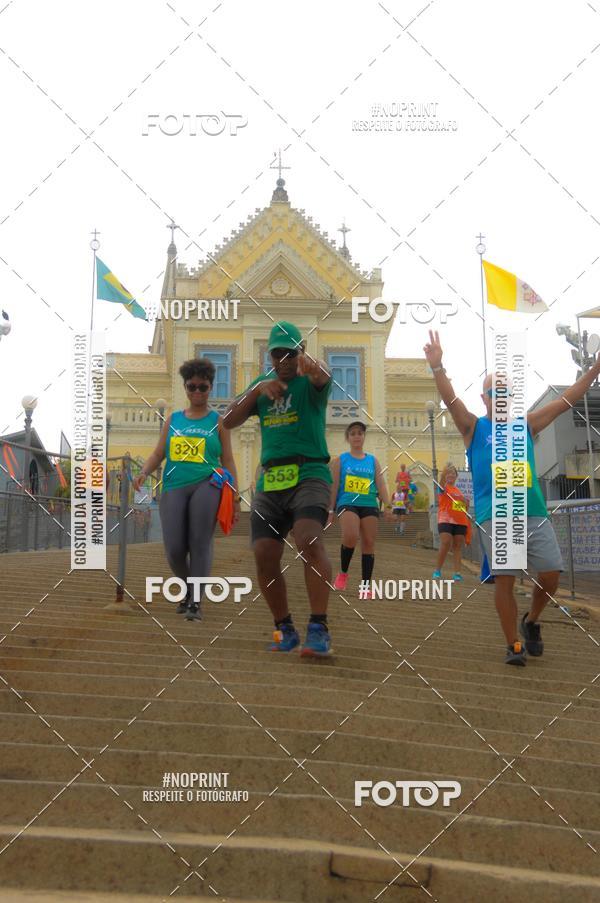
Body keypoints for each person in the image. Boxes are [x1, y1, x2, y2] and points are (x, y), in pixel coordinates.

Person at [424, 328, 600, 666]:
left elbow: (565, 402)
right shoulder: (474, 428)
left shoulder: (527, 424)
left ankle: (531, 620)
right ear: (485, 397)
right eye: (494, 392)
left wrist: (592, 373)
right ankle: (513, 644)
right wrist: (437, 367)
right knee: (505, 575)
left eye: (505, 391)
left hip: (532, 511)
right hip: (495, 513)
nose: (499, 397)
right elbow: (450, 401)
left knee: (550, 574)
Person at [224, 321, 333, 657]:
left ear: (300, 352)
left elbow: (323, 378)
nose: (284, 360)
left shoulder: (310, 383)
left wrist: (316, 370)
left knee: (308, 538)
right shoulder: (262, 386)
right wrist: (256, 392)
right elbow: (227, 421)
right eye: (277, 354)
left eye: (291, 353)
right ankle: (284, 627)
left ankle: (318, 627)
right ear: (269, 356)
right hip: (271, 478)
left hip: (310, 471)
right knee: (264, 553)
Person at [133, 358, 240, 621]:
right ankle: (188, 588)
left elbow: (227, 460)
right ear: (185, 387)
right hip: (174, 485)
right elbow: (159, 453)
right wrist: (144, 471)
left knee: (199, 541)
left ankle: (195, 601)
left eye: (202, 387)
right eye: (191, 387)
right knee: (174, 548)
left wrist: (235, 495)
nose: (197, 392)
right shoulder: (173, 420)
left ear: (210, 388)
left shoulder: (219, 421)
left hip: (208, 483)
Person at [329, 421, 393, 596]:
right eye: (353, 433)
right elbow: (334, 487)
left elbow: (381, 484)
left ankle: (366, 585)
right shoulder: (341, 460)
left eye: (360, 433)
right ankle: (343, 573)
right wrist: (330, 509)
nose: (357, 436)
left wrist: (388, 506)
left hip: (369, 504)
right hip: (347, 502)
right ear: (348, 438)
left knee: (369, 543)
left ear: (364, 437)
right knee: (350, 536)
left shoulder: (372, 460)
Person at [432, 463, 471, 581]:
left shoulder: (458, 491)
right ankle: (437, 570)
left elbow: (463, 509)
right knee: (446, 542)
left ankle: (457, 573)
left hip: (460, 522)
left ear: (456, 476)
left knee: (457, 546)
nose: (451, 475)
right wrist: (445, 471)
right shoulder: (443, 487)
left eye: (453, 473)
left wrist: (466, 503)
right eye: (448, 473)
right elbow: (442, 481)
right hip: (445, 520)